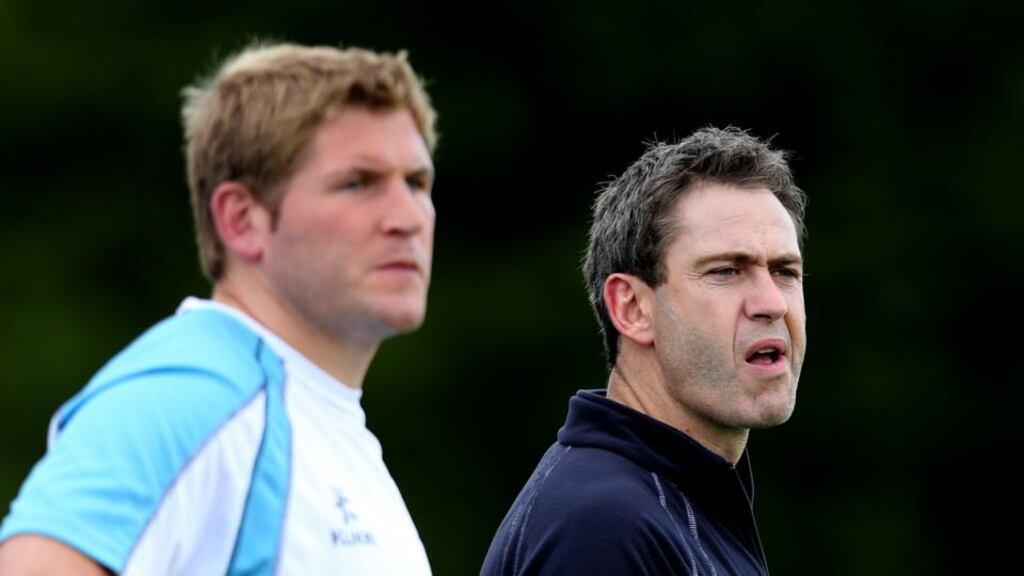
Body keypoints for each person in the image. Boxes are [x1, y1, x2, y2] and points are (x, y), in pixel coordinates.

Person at [0, 42, 438, 575]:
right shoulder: (192, 395)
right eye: (358, 183)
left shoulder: (320, 419)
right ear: (241, 219)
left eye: (416, 182)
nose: (407, 216)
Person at [482, 127, 808, 575]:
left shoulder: (684, 502)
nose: (772, 303)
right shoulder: (603, 527)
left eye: (785, 271)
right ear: (632, 308)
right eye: (727, 271)